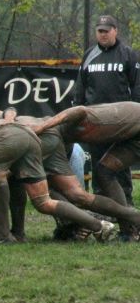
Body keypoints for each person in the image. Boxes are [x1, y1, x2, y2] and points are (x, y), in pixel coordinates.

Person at [33, 102, 140, 241]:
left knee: (82, 189)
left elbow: (80, 110)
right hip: (131, 128)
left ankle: (131, 222)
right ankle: (128, 230)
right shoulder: (62, 135)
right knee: (103, 172)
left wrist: (41, 127)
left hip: (133, 125)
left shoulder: (73, 120)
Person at [73, 15, 140, 210]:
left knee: (119, 169)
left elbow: (137, 87)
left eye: (106, 30)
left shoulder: (128, 54)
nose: (103, 34)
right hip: (96, 121)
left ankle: (126, 209)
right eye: (99, 30)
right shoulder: (89, 55)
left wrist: (135, 118)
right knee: (98, 167)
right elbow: (80, 87)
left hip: (121, 123)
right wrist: (78, 112)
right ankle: (103, 213)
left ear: (115, 31)